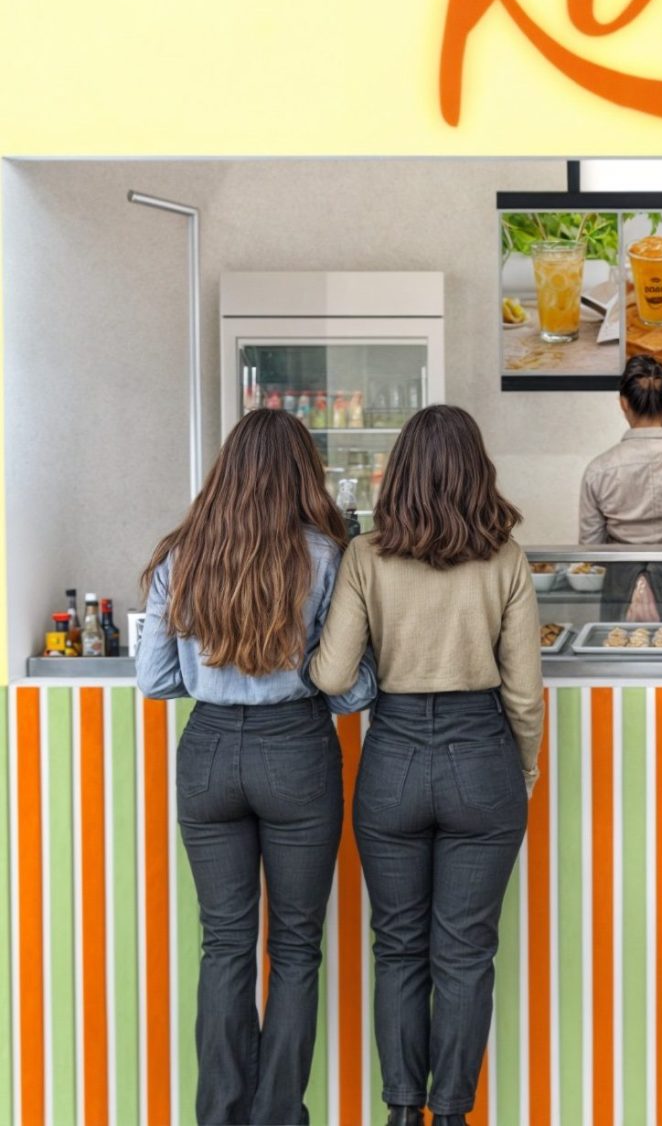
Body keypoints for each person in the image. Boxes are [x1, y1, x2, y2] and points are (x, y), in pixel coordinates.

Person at [135, 408, 376, 1126]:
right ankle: (277, 1117)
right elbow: (348, 689)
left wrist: (213, 680)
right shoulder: (327, 555)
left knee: (225, 945)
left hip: (207, 752)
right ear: (303, 474)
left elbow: (154, 681)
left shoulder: (182, 555)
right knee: (296, 948)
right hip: (295, 750)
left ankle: (220, 1115)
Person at [309, 405, 542, 1126]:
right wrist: (521, 773)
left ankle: (403, 1112)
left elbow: (332, 674)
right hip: (483, 758)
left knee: (399, 948)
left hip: (394, 760)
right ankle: (452, 1114)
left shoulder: (364, 556)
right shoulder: (506, 558)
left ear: (400, 473)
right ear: (478, 471)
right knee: (466, 954)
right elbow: (524, 693)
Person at [579, 354, 662, 620]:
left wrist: (637, 574)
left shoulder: (598, 470)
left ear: (623, 403)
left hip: (620, 589)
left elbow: (591, 550)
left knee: (618, 646)